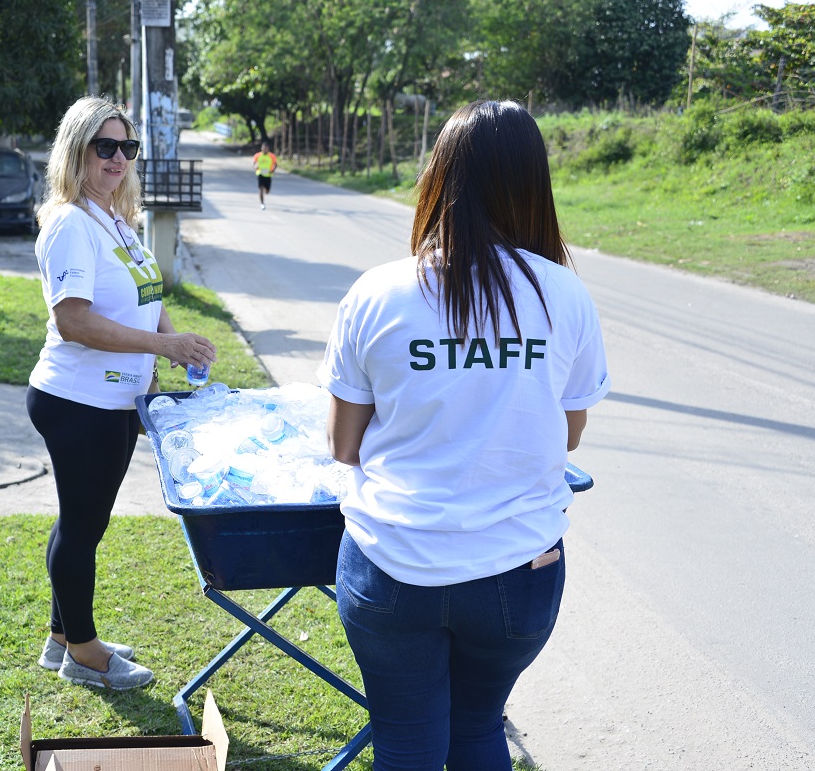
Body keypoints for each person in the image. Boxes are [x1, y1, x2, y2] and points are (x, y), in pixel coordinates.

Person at [317, 100, 610, 769]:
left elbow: (343, 445)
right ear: (533, 184)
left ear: (437, 178)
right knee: (478, 730)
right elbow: (568, 434)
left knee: (406, 737)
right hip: (518, 570)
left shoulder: (378, 292)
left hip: (392, 564)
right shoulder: (564, 295)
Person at [27, 96, 217, 690]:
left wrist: (170, 345)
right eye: (103, 146)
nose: (116, 158)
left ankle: (63, 638)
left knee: (83, 522)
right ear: (76, 149)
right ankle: (85, 653)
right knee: (83, 527)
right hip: (77, 401)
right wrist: (164, 349)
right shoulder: (70, 223)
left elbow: (145, 299)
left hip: (112, 401)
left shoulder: (114, 218)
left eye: (126, 148)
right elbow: (73, 322)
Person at [252, 140, 277, 209]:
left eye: (266, 148)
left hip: (268, 175)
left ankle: (267, 190)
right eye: (264, 148)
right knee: (261, 189)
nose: (265, 149)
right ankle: (262, 203)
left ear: (268, 149)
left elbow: (275, 164)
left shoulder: (272, 156)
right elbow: (254, 164)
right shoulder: (257, 155)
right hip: (260, 174)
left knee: (267, 191)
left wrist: (273, 170)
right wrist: (255, 167)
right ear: (261, 148)